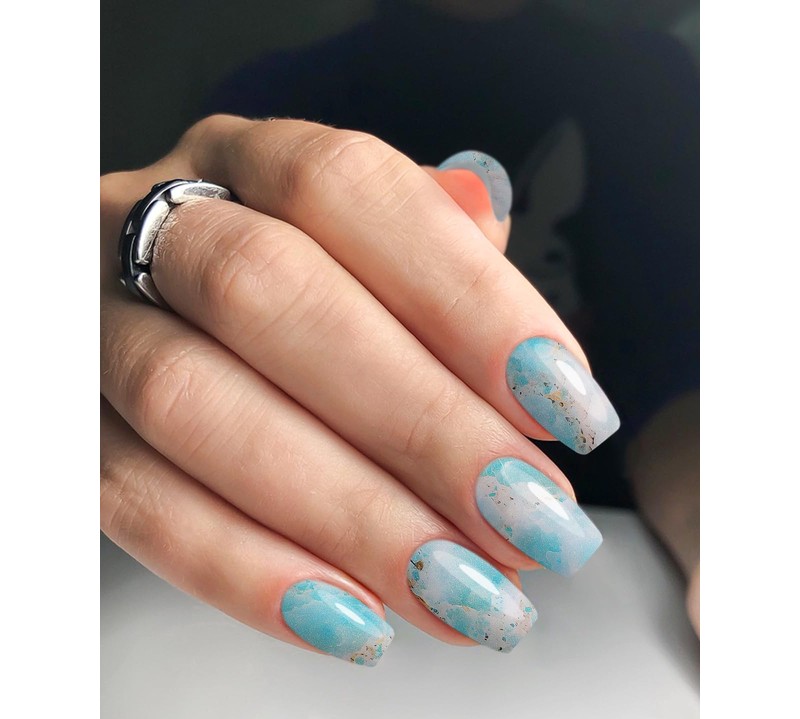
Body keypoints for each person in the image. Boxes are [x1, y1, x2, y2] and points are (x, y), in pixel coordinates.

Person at [100, 0, 699, 666]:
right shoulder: (274, 88)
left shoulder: (651, 82)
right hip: (276, 640)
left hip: (628, 625)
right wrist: (150, 268)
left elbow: (678, 380)